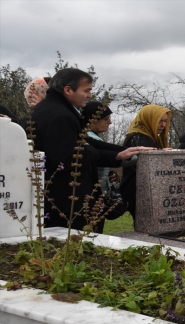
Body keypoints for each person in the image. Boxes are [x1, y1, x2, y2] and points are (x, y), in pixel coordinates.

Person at [32, 68, 146, 231]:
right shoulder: (60, 116)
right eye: (86, 91)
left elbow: (88, 143)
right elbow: (71, 157)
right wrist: (91, 151)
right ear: (68, 90)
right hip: (66, 204)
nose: (90, 95)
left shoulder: (55, 110)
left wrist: (119, 153)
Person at [81, 101, 127, 232]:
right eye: (106, 119)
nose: (110, 122)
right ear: (91, 120)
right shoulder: (90, 138)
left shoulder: (92, 137)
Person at [120, 104, 172, 220]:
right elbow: (146, 164)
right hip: (139, 192)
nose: (163, 125)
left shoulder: (148, 137)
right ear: (149, 119)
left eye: (165, 121)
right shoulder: (139, 138)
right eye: (160, 121)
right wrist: (162, 154)